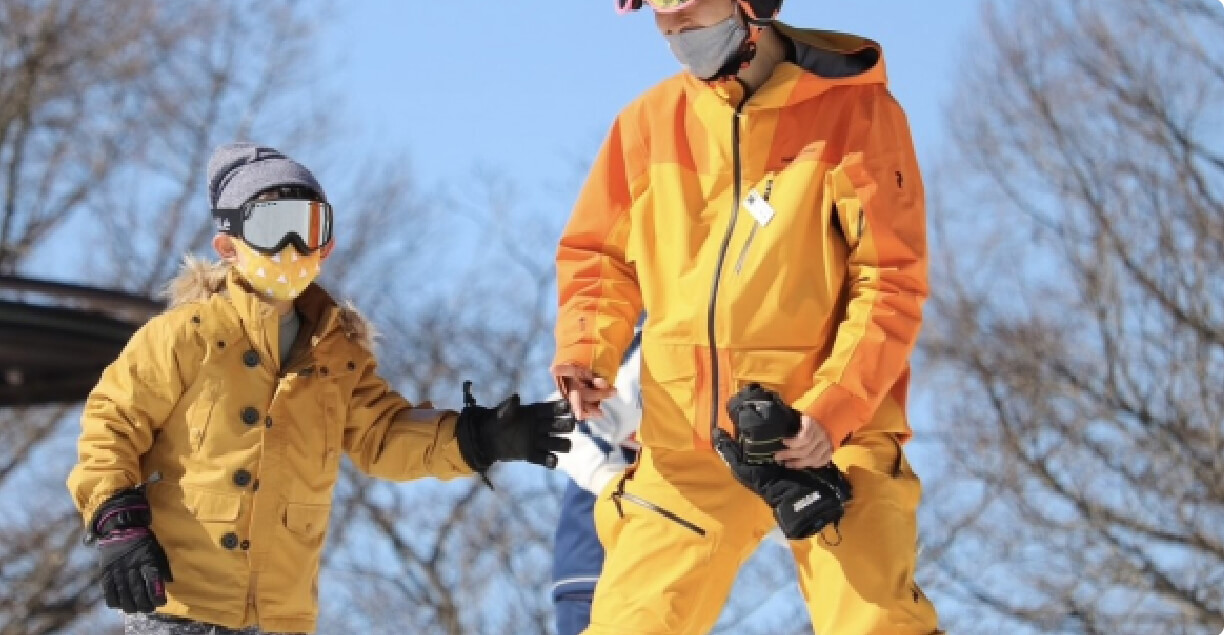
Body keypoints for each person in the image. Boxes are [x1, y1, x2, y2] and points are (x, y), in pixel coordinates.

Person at [68, 142, 573, 635]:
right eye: (271, 227)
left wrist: (479, 438)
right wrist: (119, 523)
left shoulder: (336, 356)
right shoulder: (188, 335)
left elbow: (383, 437)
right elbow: (113, 422)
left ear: (326, 243)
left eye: (307, 227)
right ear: (229, 246)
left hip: (280, 613)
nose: (291, 247)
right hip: (179, 602)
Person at [552, 1, 942, 633]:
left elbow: (890, 280)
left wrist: (831, 412)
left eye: (691, 19)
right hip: (687, 446)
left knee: (874, 622)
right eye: (666, 24)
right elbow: (599, 258)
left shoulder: (858, 116)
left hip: (827, 439)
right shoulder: (648, 125)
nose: (678, 37)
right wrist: (585, 354)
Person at [550, 336, 641, 635]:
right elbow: (565, 423)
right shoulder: (654, 348)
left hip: (677, 575)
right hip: (594, 572)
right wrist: (625, 494)